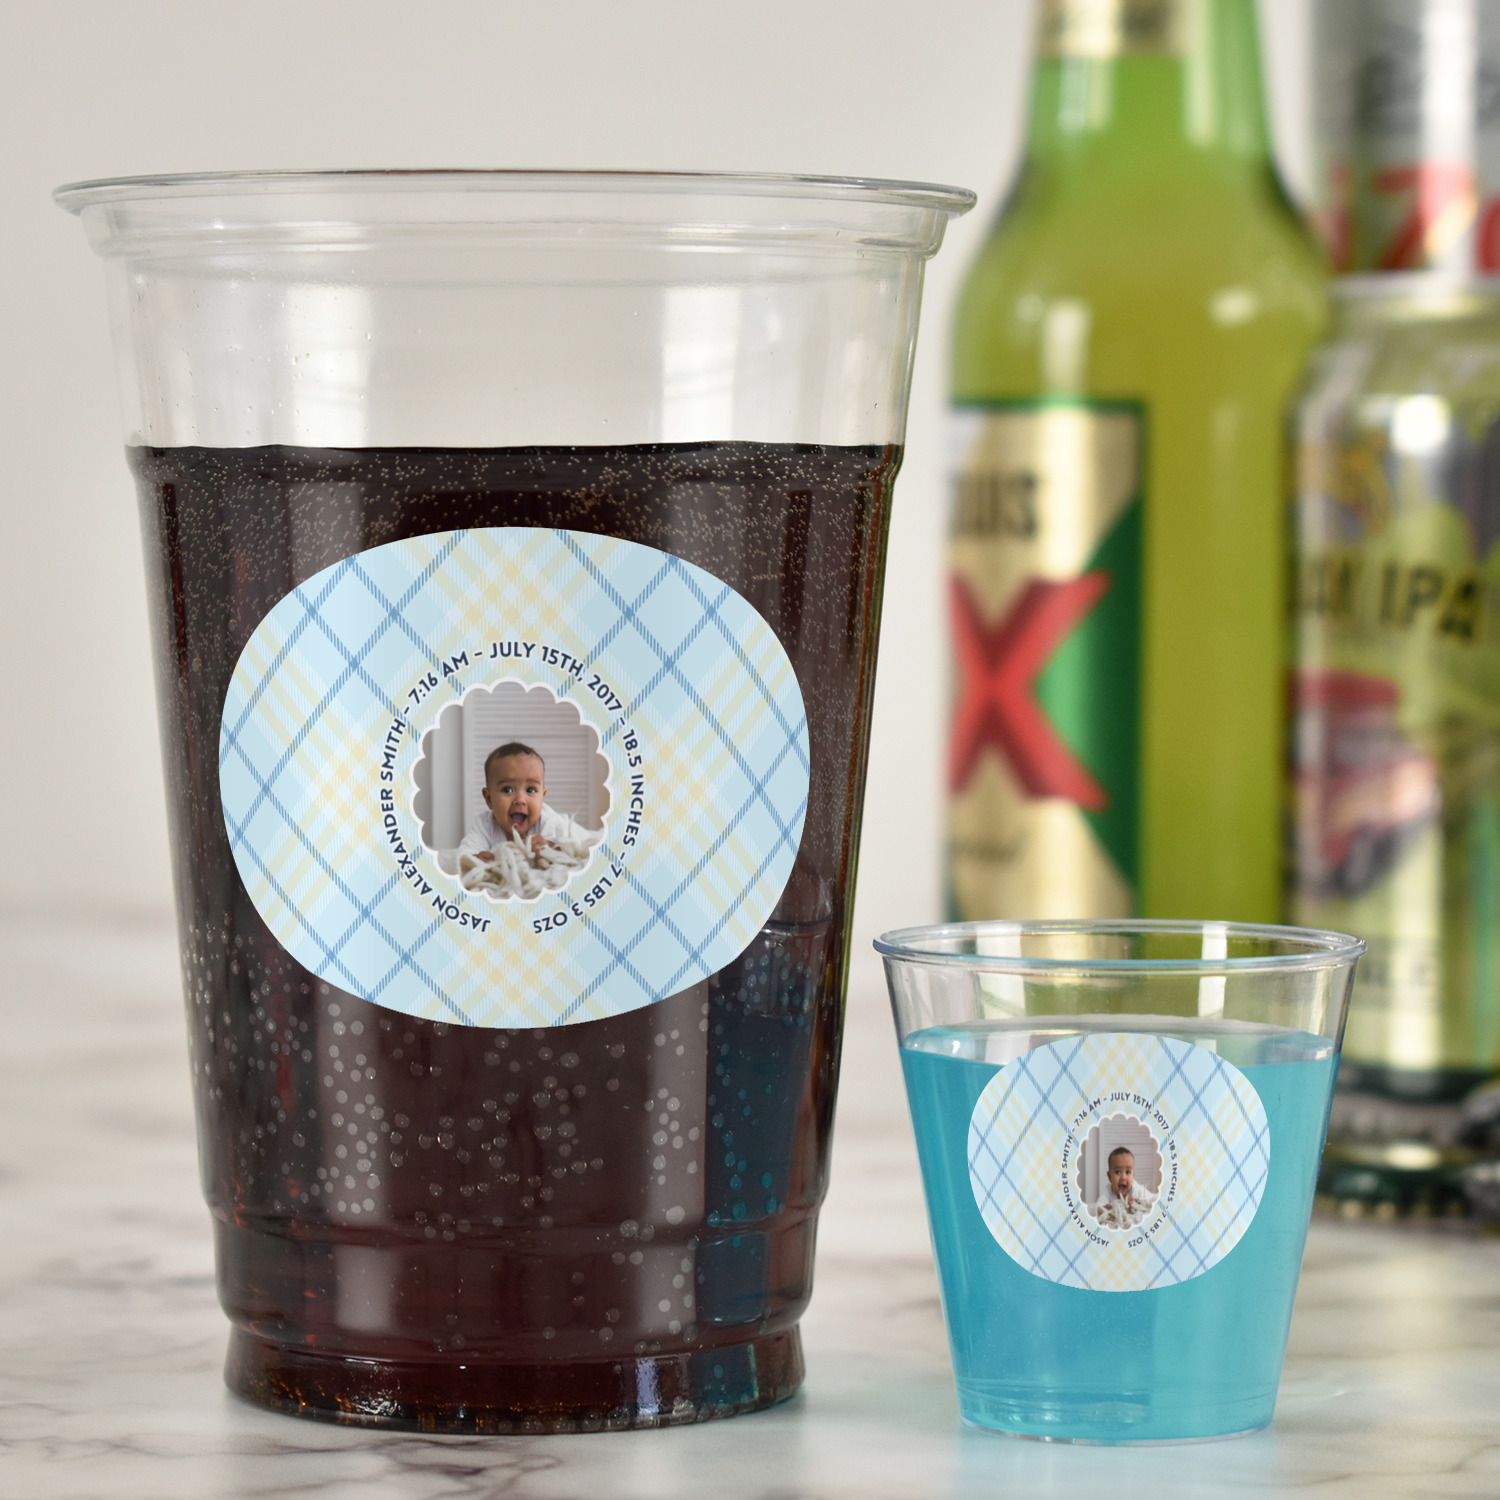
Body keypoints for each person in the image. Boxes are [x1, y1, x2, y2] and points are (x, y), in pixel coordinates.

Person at [456, 742, 594, 862]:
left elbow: (574, 848)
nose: (520, 800)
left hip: (586, 834)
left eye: (530, 790)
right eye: (507, 789)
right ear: (489, 799)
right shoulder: (484, 825)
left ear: (542, 796)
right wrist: (475, 858)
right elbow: (465, 853)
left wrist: (551, 846)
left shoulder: (548, 821)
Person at [1093, 1145, 1156, 1230]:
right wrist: (1112, 1207)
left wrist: (1136, 1203)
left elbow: (1151, 1201)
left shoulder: (1136, 1189)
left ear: (1133, 1175)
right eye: (1118, 1172)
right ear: (1110, 1176)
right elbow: (1098, 1208)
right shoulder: (1108, 1190)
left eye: (1128, 1172)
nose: (1123, 1177)